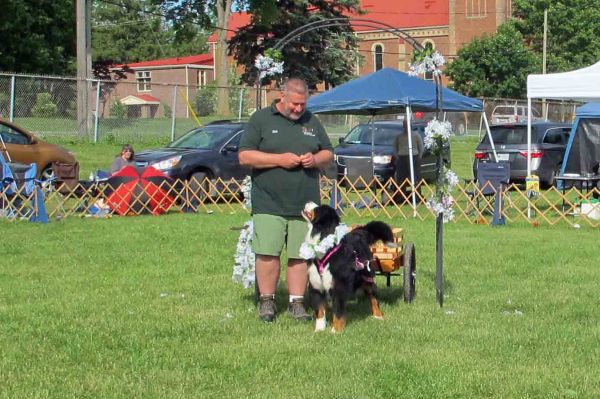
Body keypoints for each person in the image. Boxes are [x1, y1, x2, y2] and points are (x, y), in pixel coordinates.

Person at [238, 78, 334, 323]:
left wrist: (315, 159)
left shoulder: (311, 121)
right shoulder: (261, 120)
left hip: (305, 206)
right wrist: (279, 160)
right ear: (283, 96)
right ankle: (267, 301)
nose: (298, 109)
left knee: (299, 255)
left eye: (303, 104)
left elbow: (328, 152)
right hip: (269, 202)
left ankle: (296, 303)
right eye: (295, 104)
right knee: (268, 252)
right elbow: (245, 156)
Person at [393, 119, 424, 201]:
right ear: (403, 126)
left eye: (407, 125)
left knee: (416, 178)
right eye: (404, 125)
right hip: (402, 158)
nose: (406, 126)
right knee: (401, 179)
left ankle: (417, 197)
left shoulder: (416, 135)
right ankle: (401, 198)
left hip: (414, 157)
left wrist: (418, 158)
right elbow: (395, 148)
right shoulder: (399, 137)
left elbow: (421, 147)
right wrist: (398, 157)